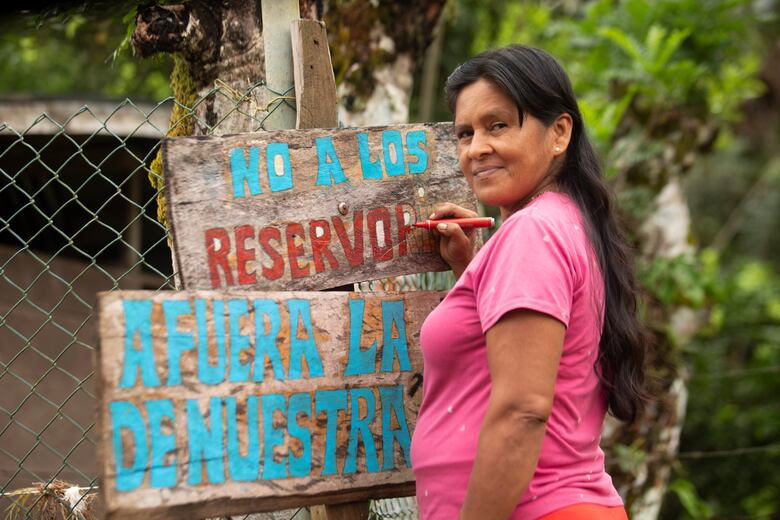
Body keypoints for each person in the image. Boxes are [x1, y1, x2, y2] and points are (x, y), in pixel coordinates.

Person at [409, 45, 650, 519]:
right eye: (465, 133)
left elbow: (523, 411)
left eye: (497, 125)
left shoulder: (533, 232)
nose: (476, 148)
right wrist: (473, 268)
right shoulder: (564, 223)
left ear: (559, 133)